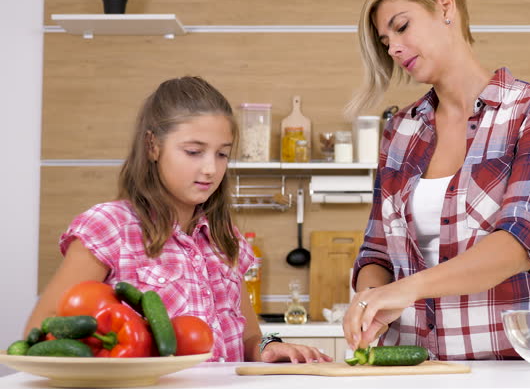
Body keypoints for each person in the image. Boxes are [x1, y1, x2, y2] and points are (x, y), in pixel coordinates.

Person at [344, 0, 530, 360]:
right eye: (385, 42)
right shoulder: (400, 129)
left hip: (515, 367)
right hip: (413, 364)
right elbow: (376, 250)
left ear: (445, 8)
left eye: (401, 27)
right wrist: (370, 298)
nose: (394, 48)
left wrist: (408, 288)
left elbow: (518, 244)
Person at [25, 76, 332, 364]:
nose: (211, 169)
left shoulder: (225, 238)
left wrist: (269, 347)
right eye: (194, 151)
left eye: (222, 154)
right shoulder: (111, 227)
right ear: (152, 146)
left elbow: (248, 336)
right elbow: (40, 335)